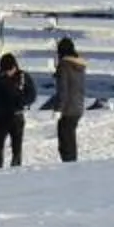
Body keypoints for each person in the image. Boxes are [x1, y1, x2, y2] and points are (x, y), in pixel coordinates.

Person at [0, 51, 34, 168]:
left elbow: (32, 94)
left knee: (17, 146)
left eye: (9, 69)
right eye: (5, 70)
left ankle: (16, 167)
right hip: (2, 116)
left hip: (17, 116)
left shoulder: (23, 77)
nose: (7, 72)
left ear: (15, 67)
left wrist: (22, 102)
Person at [47, 35, 88, 163]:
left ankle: (69, 166)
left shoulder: (64, 65)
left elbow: (63, 90)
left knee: (65, 141)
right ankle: (72, 163)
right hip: (78, 106)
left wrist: (58, 109)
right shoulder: (78, 66)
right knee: (70, 138)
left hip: (68, 108)